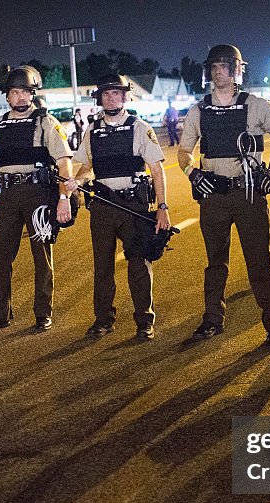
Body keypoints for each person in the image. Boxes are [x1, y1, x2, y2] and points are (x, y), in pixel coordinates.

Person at [178, 44, 270, 347]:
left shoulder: (256, 105)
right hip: (213, 197)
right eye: (214, 66)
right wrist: (192, 173)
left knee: (259, 261)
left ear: (237, 70)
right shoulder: (199, 109)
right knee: (215, 262)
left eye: (224, 65)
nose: (218, 71)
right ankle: (212, 320)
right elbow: (183, 152)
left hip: (248, 195)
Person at [72, 73, 171, 340]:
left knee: (139, 264)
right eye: (106, 94)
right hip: (103, 206)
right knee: (102, 266)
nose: (111, 98)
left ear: (125, 96)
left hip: (133, 206)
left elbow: (157, 168)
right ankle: (103, 319)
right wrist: (77, 180)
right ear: (100, 99)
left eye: (116, 93)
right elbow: (86, 166)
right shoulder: (92, 130)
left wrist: (162, 206)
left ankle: (144, 322)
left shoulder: (138, 127)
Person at [0, 65, 74, 332]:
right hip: (8, 195)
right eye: (14, 92)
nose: (19, 97)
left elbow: (64, 163)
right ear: (7, 96)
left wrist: (64, 198)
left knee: (41, 257)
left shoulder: (45, 121)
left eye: (25, 92)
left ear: (32, 94)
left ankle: (43, 313)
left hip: (38, 195)